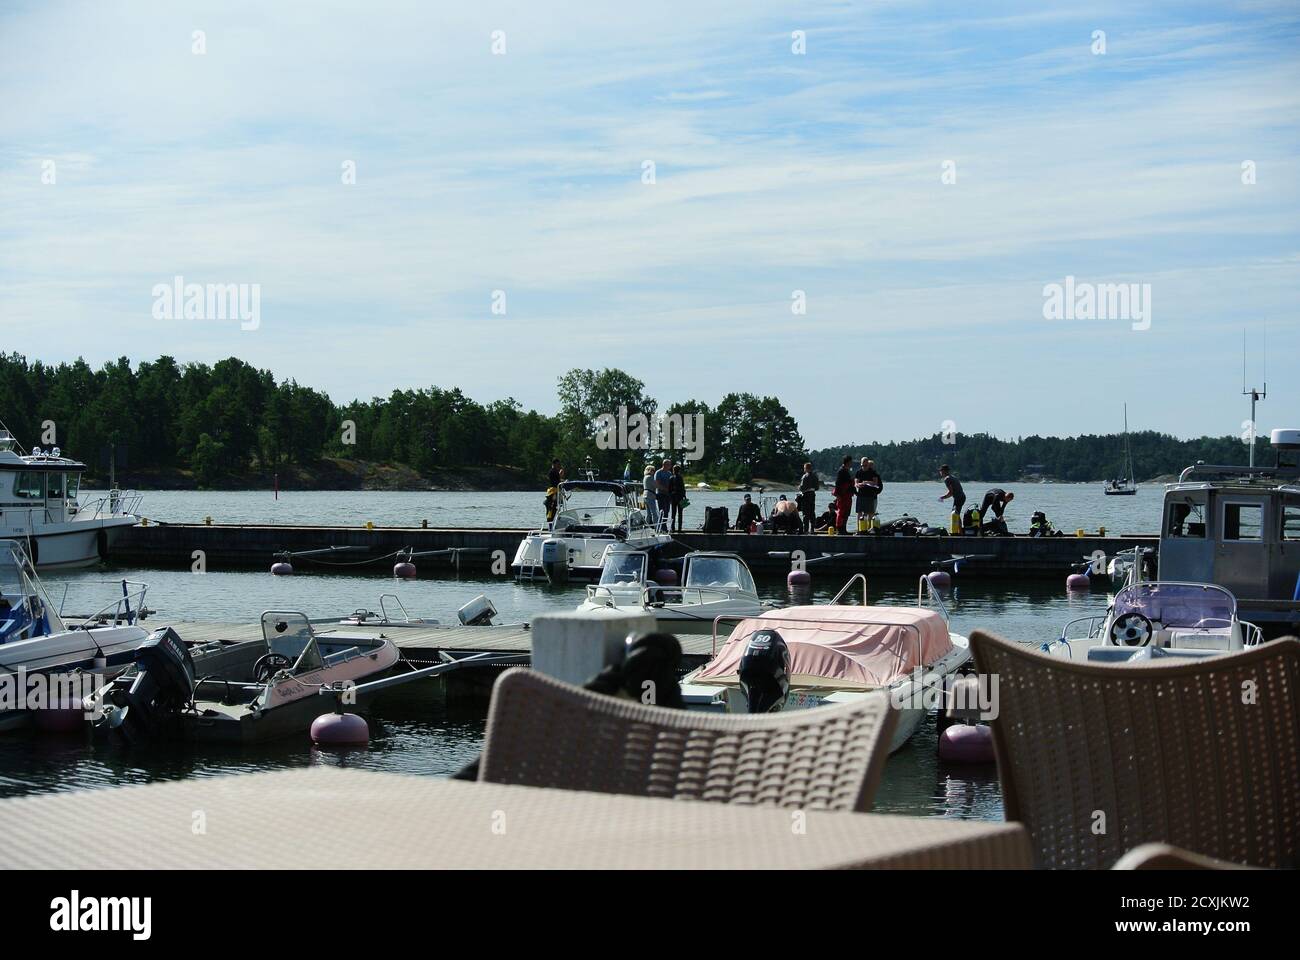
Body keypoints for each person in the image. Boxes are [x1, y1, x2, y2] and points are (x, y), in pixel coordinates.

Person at [853, 457, 883, 532]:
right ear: (861, 464)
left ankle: (869, 528)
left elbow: (876, 483)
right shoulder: (858, 472)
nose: (864, 467)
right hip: (861, 495)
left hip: (870, 495)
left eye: (866, 465)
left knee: (870, 513)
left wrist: (867, 482)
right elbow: (856, 483)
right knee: (859, 513)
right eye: (863, 465)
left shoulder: (873, 472)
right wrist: (859, 484)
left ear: (868, 465)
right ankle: (859, 529)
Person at [833, 456, 854, 533]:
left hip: (848, 495)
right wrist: (838, 495)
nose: (851, 463)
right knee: (841, 512)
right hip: (842, 495)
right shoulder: (841, 471)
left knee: (846, 512)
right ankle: (839, 529)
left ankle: (844, 528)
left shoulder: (847, 470)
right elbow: (837, 484)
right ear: (848, 462)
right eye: (851, 462)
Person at [797, 462, 819, 533]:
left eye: (804, 468)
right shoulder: (815, 476)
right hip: (812, 494)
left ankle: (805, 529)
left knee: (805, 513)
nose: (804, 469)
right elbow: (817, 487)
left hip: (806, 495)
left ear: (806, 468)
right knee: (812, 512)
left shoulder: (805, 476)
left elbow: (802, 487)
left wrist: (799, 487)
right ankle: (812, 529)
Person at [653, 459, 674, 529]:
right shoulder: (658, 472)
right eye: (669, 464)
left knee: (667, 511)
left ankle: (664, 526)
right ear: (664, 464)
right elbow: (657, 484)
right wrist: (665, 489)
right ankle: (661, 527)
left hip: (668, 495)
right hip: (661, 494)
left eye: (670, 464)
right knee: (662, 511)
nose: (670, 466)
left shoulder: (669, 473)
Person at [544, 458, 564, 523]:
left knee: (555, 508)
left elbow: (557, 481)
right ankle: (551, 522)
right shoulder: (553, 471)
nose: (559, 466)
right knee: (552, 508)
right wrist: (560, 475)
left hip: (554, 491)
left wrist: (560, 476)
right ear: (554, 464)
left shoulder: (554, 471)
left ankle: (553, 522)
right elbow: (555, 482)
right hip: (553, 492)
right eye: (558, 464)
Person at [669, 464, 687, 532]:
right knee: (680, 513)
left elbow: (669, 489)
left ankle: (672, 528)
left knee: (673, 514)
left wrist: (670, 497)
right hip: (680, 497)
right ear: (679, 470)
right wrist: (684, 496)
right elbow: (683, 488)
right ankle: (679, 528)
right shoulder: (680, 477)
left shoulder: (671, 478)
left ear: (673, 470)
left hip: (673, 497)